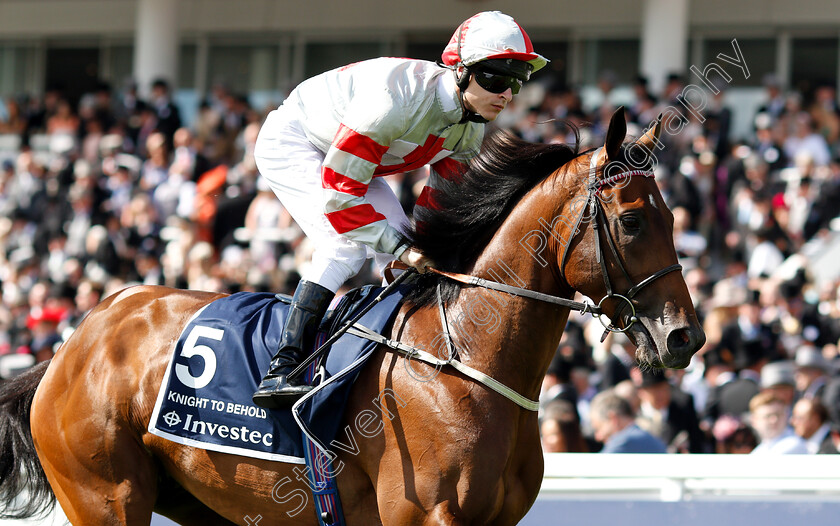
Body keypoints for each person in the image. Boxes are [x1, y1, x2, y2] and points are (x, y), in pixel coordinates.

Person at [251, 11, 547, 408]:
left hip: (357, 163)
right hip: (296, 141)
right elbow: (340, 198)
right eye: (496, 78)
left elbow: (437, 206)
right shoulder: (392, 103)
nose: (507, 94)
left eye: (516, 82)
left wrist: (416, 250)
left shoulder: (470, 125)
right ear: (459, 71)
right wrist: (400, 247)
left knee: (406, 256)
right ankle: (283, 367)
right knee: (345, 247)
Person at [589, 389, 666, 454]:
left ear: (613, 419)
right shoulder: (645, 436)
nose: (598, 437)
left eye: (599, 428)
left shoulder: (623, 441)